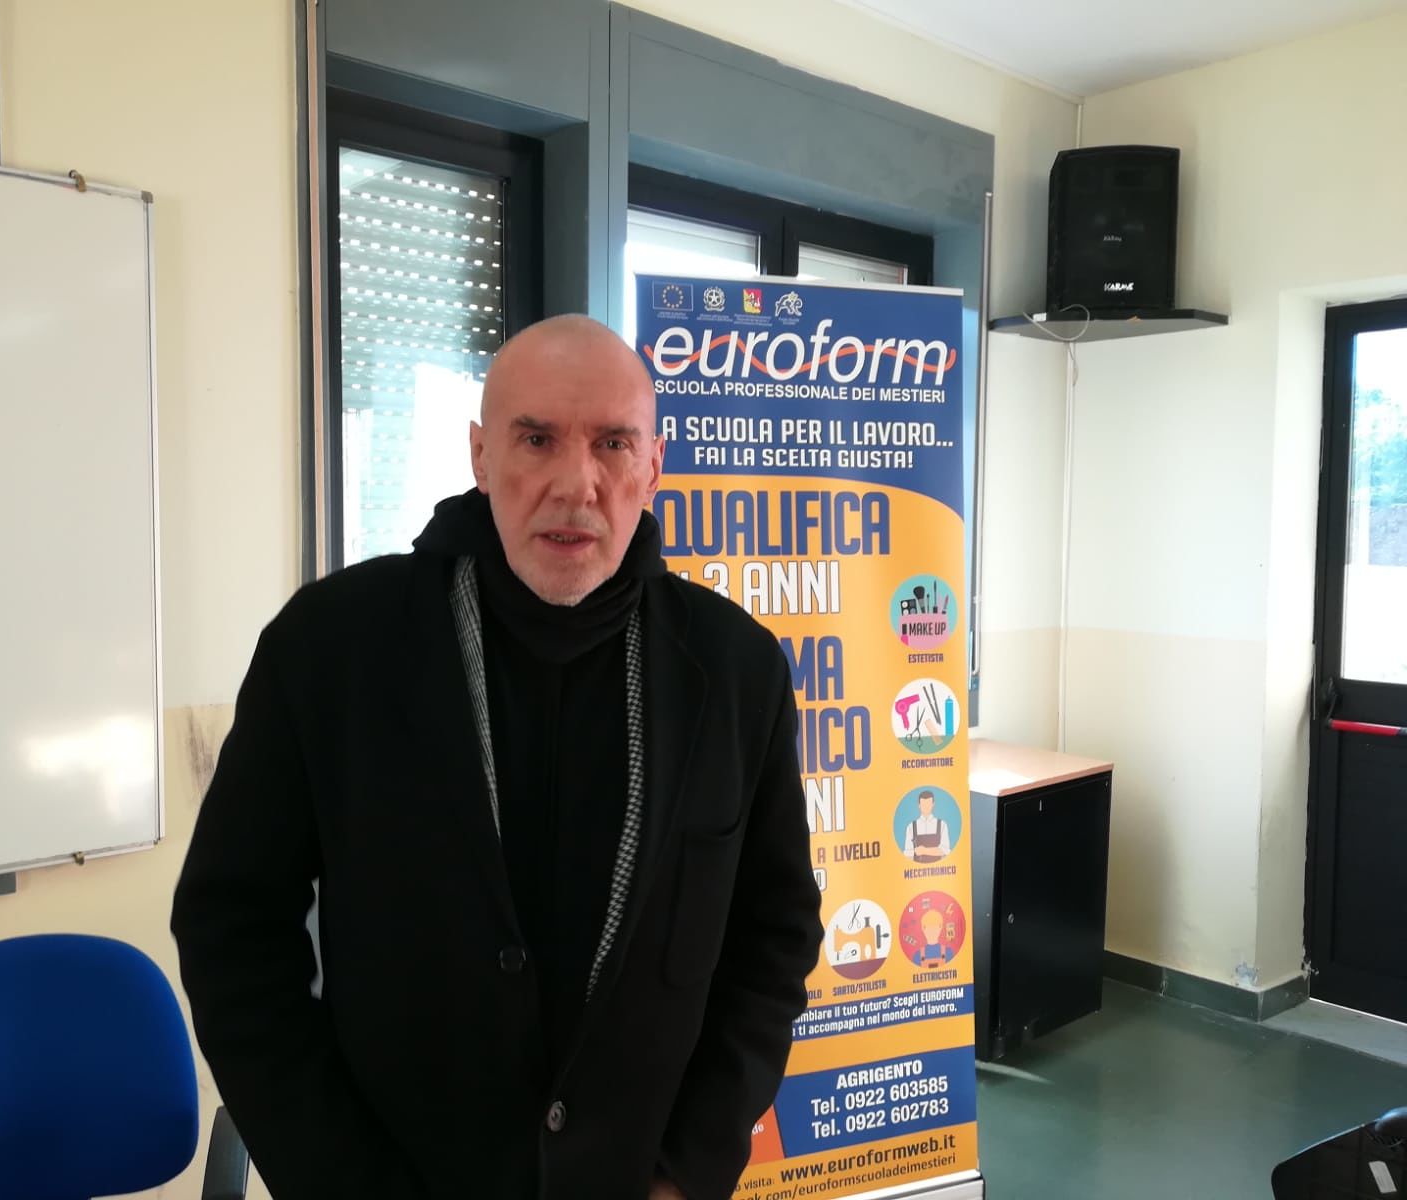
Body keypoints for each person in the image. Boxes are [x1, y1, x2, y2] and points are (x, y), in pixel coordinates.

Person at [171, 315, 823, 1200]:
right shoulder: (328, 650)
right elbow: (232, 929)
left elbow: (773, 938)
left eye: (613, 444)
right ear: (481, 456)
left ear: (653, 466)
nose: (576, 484)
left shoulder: (737, 671)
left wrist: (688, 1173)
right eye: (537, 439)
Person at [902, 789, 952, 864]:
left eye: (928, 804)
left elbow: (945, 851)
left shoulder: (942, 825)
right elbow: (907, 853)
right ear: (919, 805)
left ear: (933, 804)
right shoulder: (911, 827)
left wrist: (924, 850)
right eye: (923, 804)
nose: (926, 807)